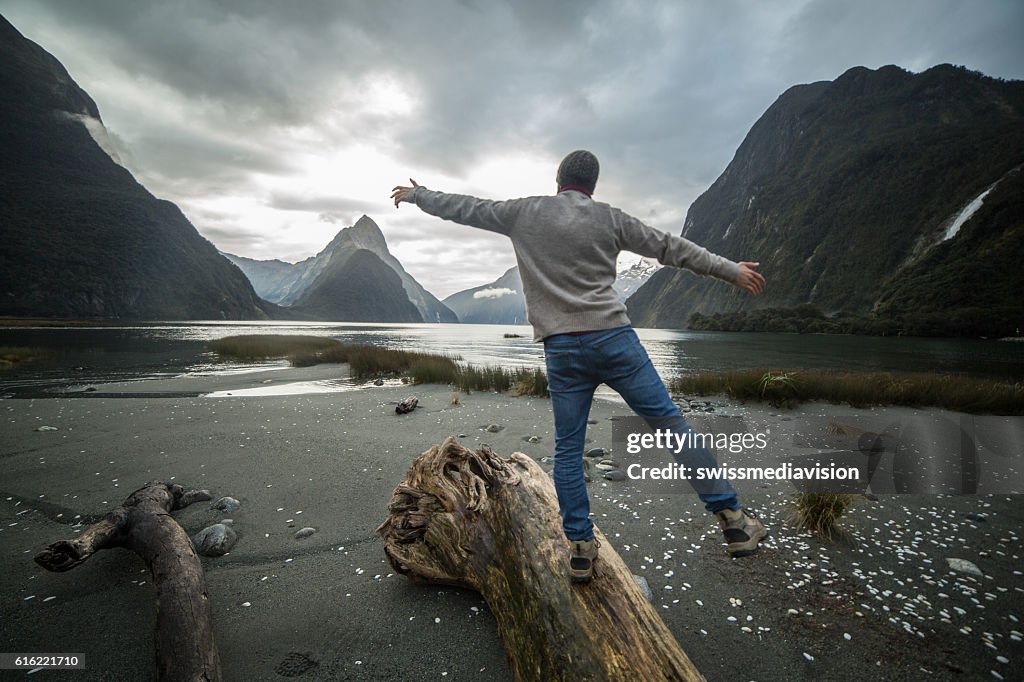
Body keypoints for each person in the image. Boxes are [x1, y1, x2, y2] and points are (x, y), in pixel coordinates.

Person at [391, 150, 767, 582]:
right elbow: (670, 247)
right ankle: (734, 522)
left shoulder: (523, 213)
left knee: (568, 450)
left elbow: (467, 208)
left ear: (559, 179)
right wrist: (729, 270)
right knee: (671, 426)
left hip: (562, 349)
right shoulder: (610, 218)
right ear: (593, 184)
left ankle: (581, 549)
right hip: (614, 339)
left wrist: (420, 196)